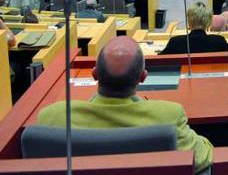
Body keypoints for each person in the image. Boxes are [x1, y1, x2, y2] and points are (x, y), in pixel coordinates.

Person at [36, 36, 213, 172]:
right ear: (143, 77)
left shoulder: (53, 117)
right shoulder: (168, 115)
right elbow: (202, 157)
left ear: (94, 74)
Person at [159, 2, 228, 61]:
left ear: (188, 21)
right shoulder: (219, 41)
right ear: (208, 22)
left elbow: (158, 60)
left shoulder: (175, 42)